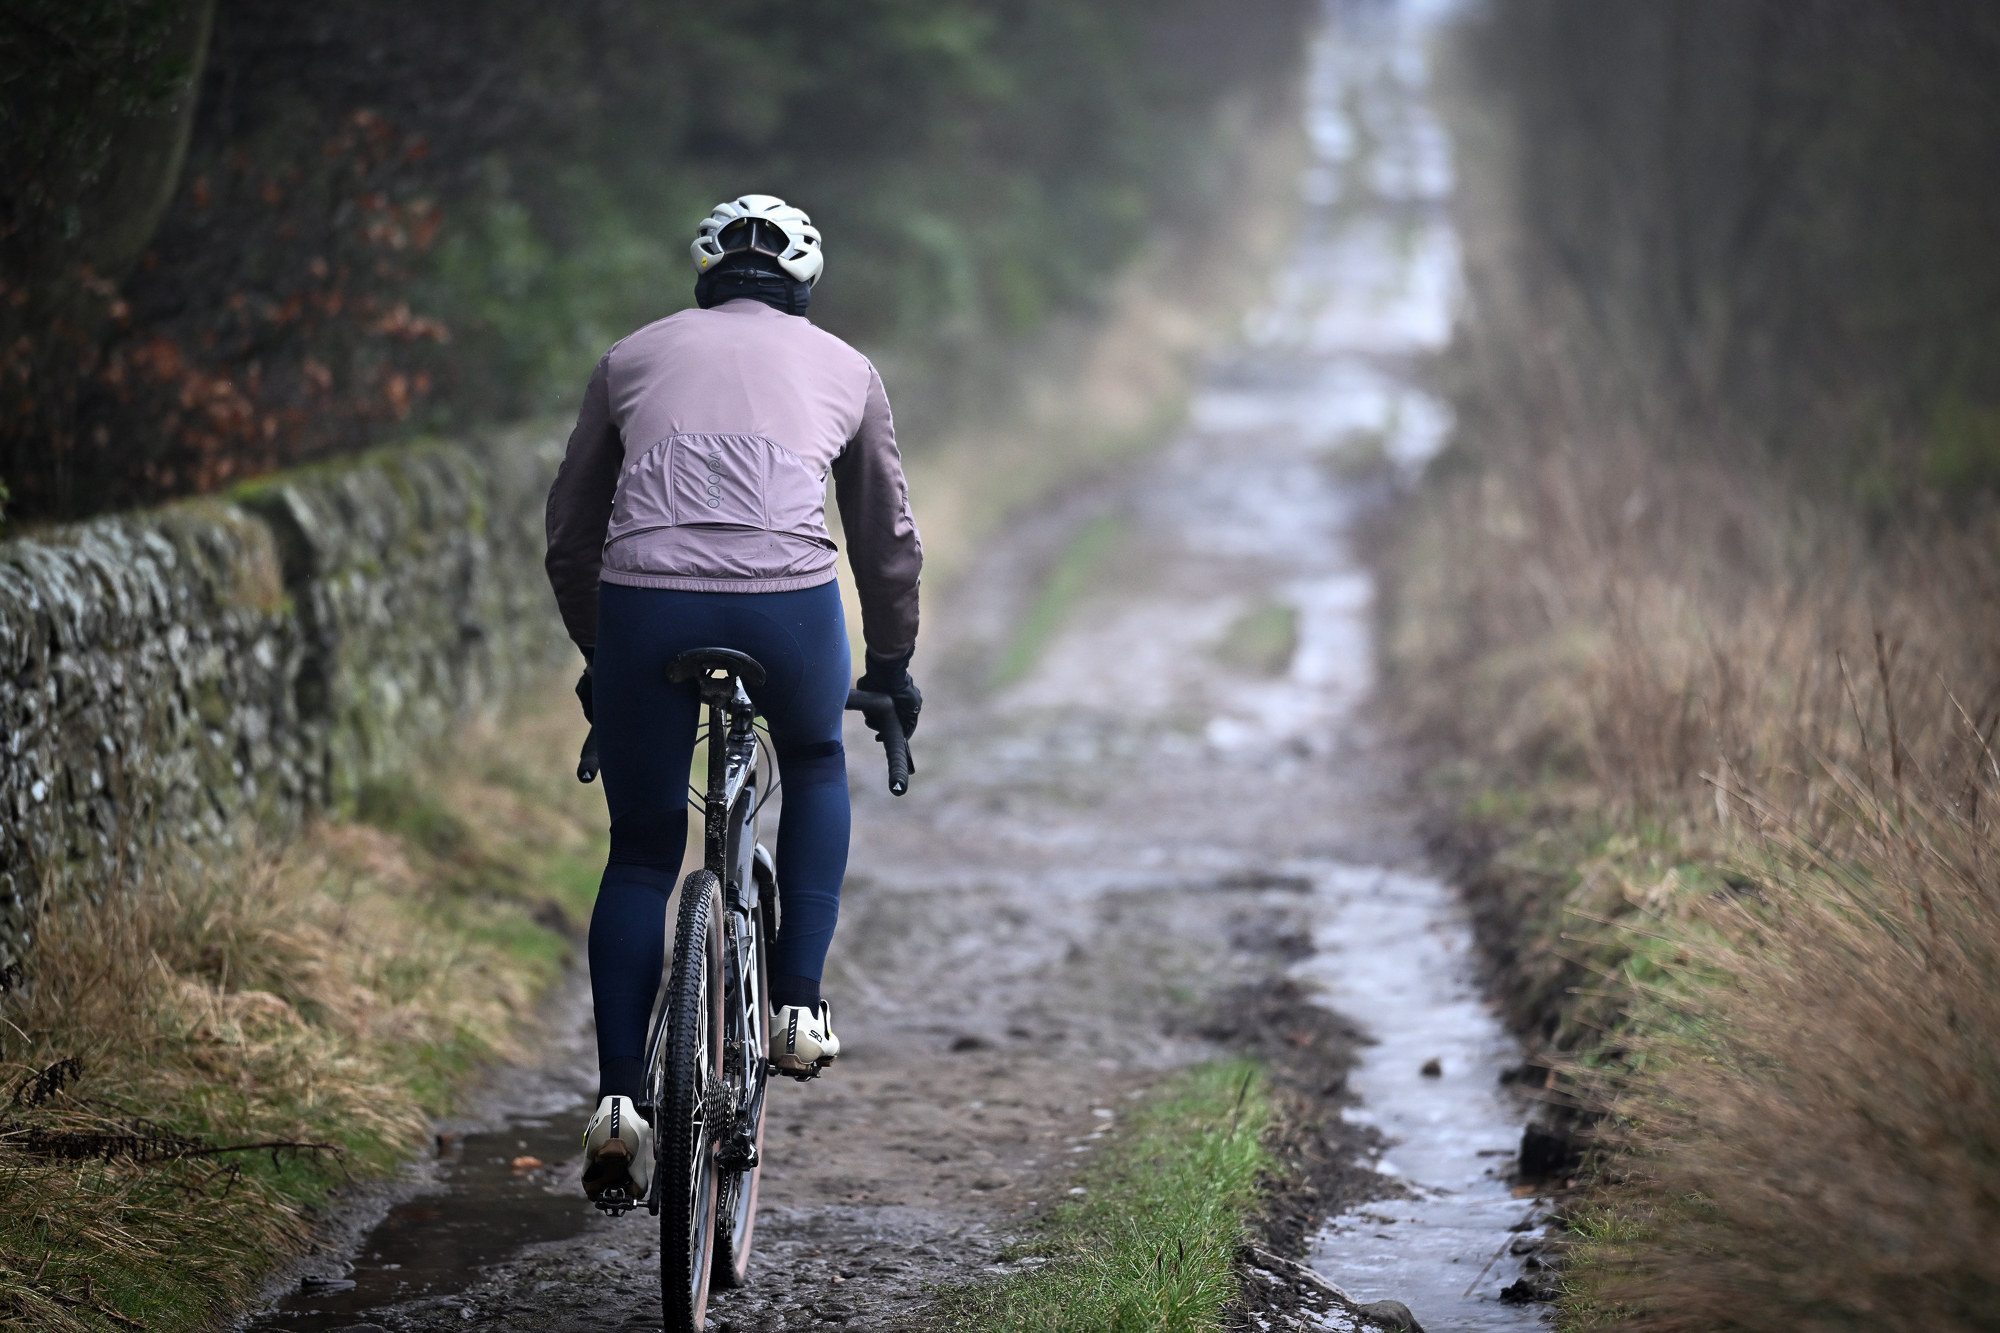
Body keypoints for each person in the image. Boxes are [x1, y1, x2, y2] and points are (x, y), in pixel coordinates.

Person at [543, 194, 924, 1201]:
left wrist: (603, 653)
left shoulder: (630, 356)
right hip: (787, 607)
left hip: (642, 608)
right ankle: (797, 1002)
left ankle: (619, 1099)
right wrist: (888, 665)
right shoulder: (848, 368)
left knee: (638, 850)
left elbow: (571, 536)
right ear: (803, 281)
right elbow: (885, 543)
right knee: (810, 761)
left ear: (703, 273)